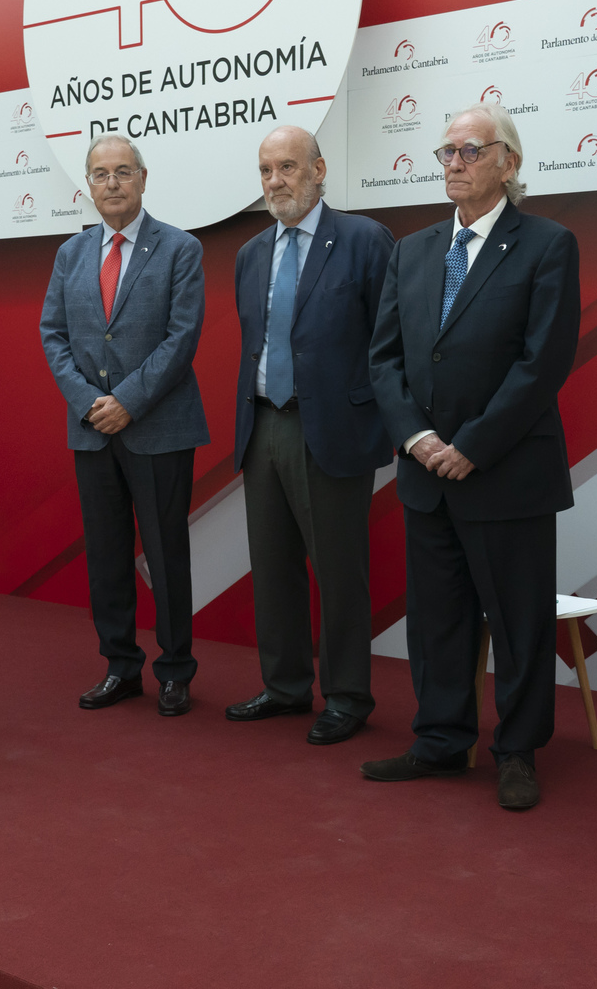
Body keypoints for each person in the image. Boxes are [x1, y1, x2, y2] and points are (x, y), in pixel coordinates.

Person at [363, 103, 580, 809]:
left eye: (469, 151)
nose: (453, 163)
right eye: (446, 152)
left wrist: (473, 446)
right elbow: (385, 359)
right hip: (427, 475)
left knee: (519, 625)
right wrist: (419, 440)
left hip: (507, 473)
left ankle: (517, 752)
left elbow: (542, 362)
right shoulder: (413, 250)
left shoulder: (548, 244)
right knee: (437, 621)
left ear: (507, 163)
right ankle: (441, 742)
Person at [225, 126, 395, 745]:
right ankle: (285, 686)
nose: (276, 181)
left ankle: (348, 696)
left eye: (289, 167)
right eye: (267, 170)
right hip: (263, 425)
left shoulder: (364, 240)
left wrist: (392, 423)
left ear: (319, 171)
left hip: (334, 431)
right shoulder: (249, 254)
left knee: (339, 572)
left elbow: (389, 341)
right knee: (272, 569)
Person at [40, 135, 208, 717]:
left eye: (121, 172)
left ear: (143, 178)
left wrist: (128, 400)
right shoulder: (71, 253)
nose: (111, 183)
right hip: (91, 429)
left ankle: (175, 670)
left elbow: (181, 338)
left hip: (158, 426)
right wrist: (90, 401)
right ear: (88, 184)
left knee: (165, 555)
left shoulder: (180, 249)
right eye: (99, 174)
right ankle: (120, 666)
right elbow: (53, 334)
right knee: (107, 555)